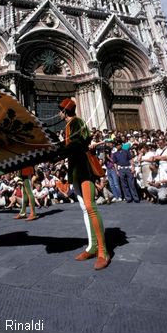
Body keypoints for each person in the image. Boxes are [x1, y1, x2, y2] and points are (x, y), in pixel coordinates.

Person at [57, 98, 110, 270]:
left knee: (90, 206)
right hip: (74, 169)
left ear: (65, 111)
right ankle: (92, 246)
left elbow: (78, 143)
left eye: (60, 109)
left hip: (83, 167)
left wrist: (58, 153)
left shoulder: (77, 122)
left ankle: (103, 251)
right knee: (84, 208)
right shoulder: (68, 125)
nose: (59, 113)